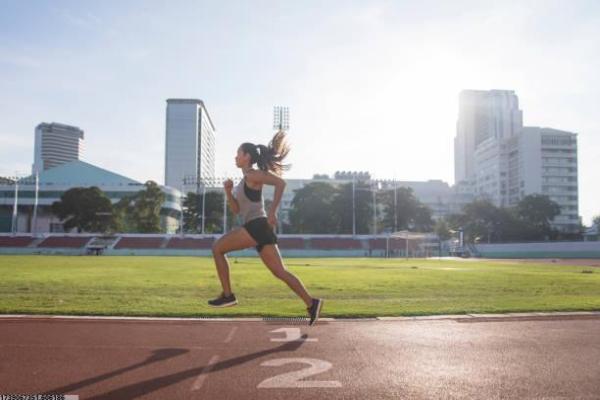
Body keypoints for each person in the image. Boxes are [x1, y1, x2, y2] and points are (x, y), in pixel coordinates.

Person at [208, 130, 323, 326]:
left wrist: (273, 211)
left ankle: (228, 295)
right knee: (280, 272)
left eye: (238, 154)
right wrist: (228, 192)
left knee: (218, 248)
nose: (235, 157)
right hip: (258, 229)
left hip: (257, 225)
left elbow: (280, 183)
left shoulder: (254, 175)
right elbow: (236, 210)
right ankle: (312, 303)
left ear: (247, 157)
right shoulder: (243, 182)